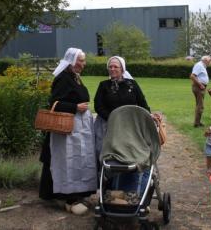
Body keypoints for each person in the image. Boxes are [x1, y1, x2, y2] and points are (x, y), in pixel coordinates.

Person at [38, 48, 97, 215]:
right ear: (71, 61)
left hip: (77, 127)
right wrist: (75, 107)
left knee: (76, 160)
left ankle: (75, 194)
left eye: (84, 61)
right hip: (66, 127)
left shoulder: (74, 77)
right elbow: (54, 103)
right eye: (81, 61)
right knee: (65, 161)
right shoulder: (63, 78)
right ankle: (66, 197)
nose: (83, 64)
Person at [94, 56, 154, 164]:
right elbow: (98, 106)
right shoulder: (103, 85)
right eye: (110, 66)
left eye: (115, 67)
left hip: (130, 125)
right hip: (109, 124)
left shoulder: (132, 84)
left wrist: (148, 115)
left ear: (122, 69)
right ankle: (107, 175)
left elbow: (142, 102)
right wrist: (112, 118)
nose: (112, 69)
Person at [190, 56, 211, 127]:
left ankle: (198, 122)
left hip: (200, 87)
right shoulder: (199, 65)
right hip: (199, 87)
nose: (210, 62)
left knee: (199, 105)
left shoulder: (202, 66)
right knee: (200, 106)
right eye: (209, 61)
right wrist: (200, 85)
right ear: (205, 60)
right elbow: (192, 76)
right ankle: (196, 123)